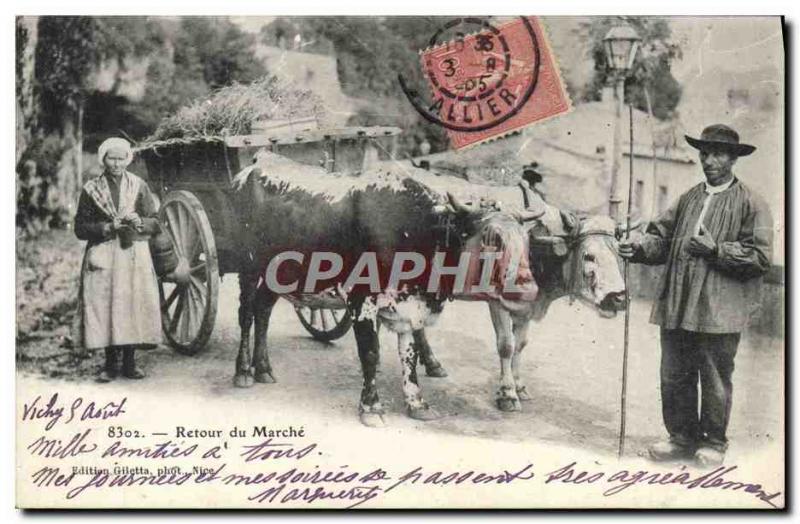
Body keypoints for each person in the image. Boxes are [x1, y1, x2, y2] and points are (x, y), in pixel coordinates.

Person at [619, 124, 773, 467]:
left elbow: (760, 258)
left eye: (718, 153)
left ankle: (714, 443)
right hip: (677, 302)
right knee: (674, 373)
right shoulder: (689, 198)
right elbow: (660, 238)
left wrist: (717, 249)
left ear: (733, 158)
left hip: (719, 309)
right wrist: (639, 247)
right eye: (705, 153)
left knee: (715, 375)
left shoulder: (751, 203)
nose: (709, 160)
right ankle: (680, 438)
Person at [74, 137, 162, 382]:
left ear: (128, 160)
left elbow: (155, 221)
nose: (116, 163)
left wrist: (139, 221)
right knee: (106, 305)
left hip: (133, 252)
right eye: (111, 158)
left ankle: (130, 363)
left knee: (131, 304)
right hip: (104, 253)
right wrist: (106, 227)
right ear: (103, 159)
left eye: (121, 158)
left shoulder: (138, 186)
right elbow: (80, 228)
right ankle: (110, 364)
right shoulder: (91, 189)